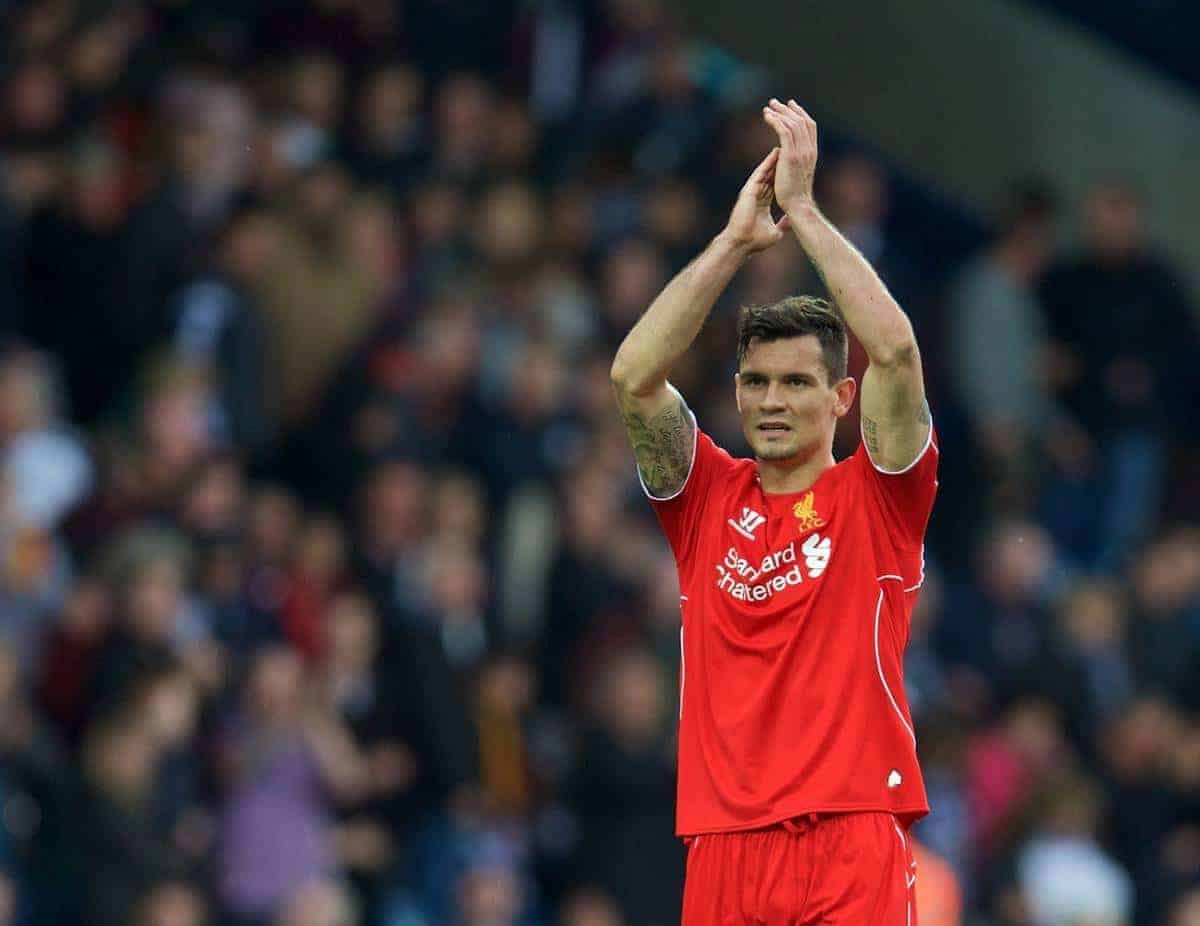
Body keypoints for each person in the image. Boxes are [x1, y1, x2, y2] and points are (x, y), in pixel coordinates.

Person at [610, 99, 937, 923]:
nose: (772, 401)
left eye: (796, 382)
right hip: (723, 841)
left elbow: (897, 349)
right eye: (756, 382)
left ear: (841, 398)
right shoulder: (705, 499)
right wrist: (733, 244)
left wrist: (804, 213)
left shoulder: (880, 497)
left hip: (851, 829)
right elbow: (634, 377)